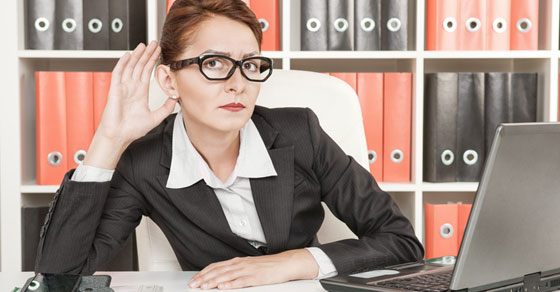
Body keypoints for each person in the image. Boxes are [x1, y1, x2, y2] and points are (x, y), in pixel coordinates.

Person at [35, 0, 423, 289]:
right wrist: (110, 139)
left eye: (250, 65)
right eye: (215, 63)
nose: (238, 83)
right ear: (170, 82)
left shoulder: (298, 132)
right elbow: (60, 276)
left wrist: (291, 263)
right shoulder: (144, 162)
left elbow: (400, 241)